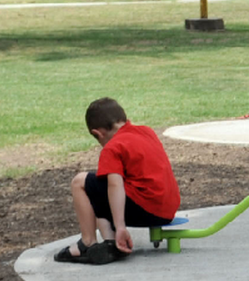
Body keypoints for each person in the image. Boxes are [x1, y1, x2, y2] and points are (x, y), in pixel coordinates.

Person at [56, 98, 180, 265]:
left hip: (145, 209)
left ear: (97, 133)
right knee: (99, 186)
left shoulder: (112, 147)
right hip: (167, 210)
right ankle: (110, 243)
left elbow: (115, 185)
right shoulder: (146, 132)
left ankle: (87, 242)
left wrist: (121, 227)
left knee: (80, 182)